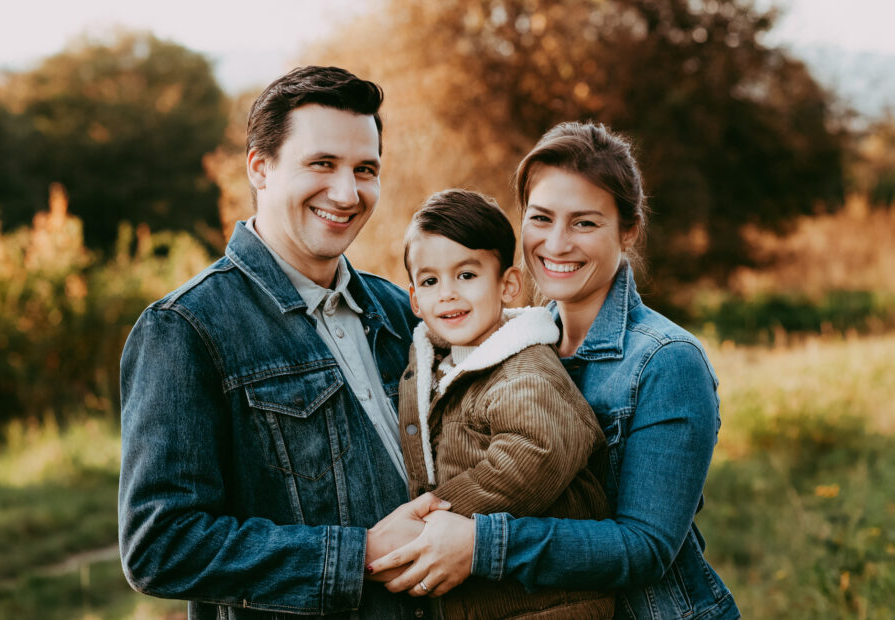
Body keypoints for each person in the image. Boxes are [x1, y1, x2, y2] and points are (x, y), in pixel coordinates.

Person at [367, 122, 742, 620]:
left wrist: (480, 542)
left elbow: (646, 547)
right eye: (541, 218)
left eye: (584, 223)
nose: (557, 244)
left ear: (628, 231)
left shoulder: (666, 360)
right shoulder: (505, 343)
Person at [118, 65, 445, 619]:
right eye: (321, 163)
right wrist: (356, 556)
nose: (347, 193)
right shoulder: (186, 328)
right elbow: (160, 545)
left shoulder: (399, 310)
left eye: (365, 169)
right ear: (260, 169)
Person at [397, 189, 614, 619]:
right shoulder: (436, 368)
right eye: (430, 281)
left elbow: (535, 454)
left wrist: (429, 517)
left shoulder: (525, 369)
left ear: (508, 284)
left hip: (550, 606)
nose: (448, 294)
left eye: (466, 275)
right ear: (414, 300)